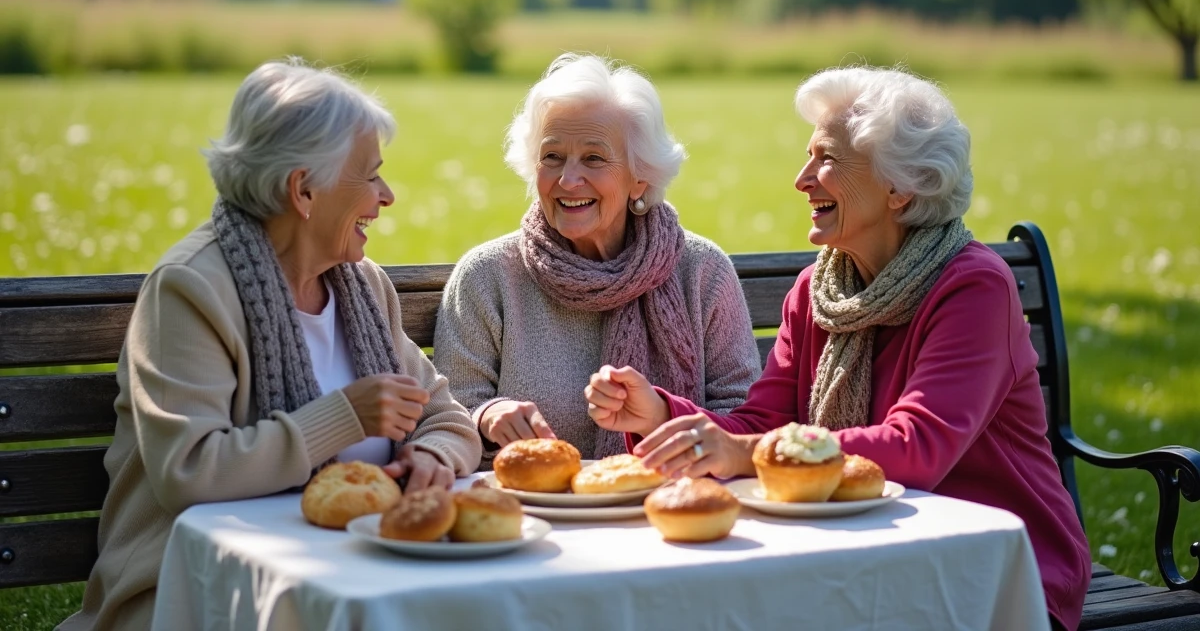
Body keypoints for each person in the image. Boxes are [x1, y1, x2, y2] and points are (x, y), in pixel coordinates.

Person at [585, 66, 1091, 630]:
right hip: (862, 559)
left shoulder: (973, 287)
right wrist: (661, 415)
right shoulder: (818, 291)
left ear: (901, 186)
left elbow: (918, 446)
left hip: (993, 572)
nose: (802, 179)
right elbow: (765, 422)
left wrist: (745, 453)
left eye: (827, 159)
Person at [61, 61, 482, 631]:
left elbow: (447, 419)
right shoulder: (191, 289)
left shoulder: (362, 287)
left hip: (353, 574)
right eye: (371, 177)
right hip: (202, 592)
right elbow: (189, 470)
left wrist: (433, 456)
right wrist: (343, 417)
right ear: (303, 189)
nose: (387, 197)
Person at [433, 53, 761, 460]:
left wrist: (661, 416)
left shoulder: (702, 271)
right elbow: (447, 417)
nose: (568, 179)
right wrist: (486, 416)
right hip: (532, 498)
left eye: (593, 158)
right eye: (552, 157)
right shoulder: (487, 277)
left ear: (640, 178)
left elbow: (743, 418)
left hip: (668, 493)